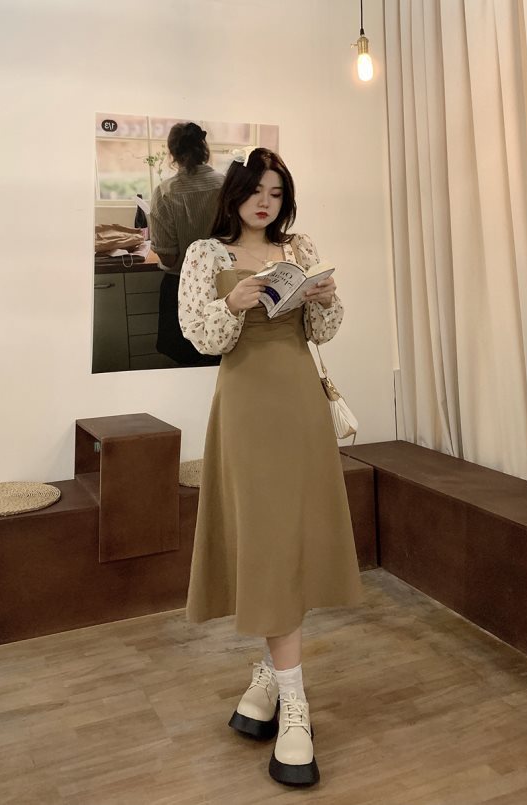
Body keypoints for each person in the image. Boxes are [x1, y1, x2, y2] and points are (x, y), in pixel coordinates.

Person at [178, 147, 364, 787]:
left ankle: (270, 680)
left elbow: (323, 332)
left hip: (299, 404)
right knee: (265, 541)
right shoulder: (206, 255)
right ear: (234, 194)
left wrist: (325, 298)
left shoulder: (299, 248)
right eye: (256, 190)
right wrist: (233, 304)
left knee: (291, 539)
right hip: (246, 406)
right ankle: (293, 704)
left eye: (277, 193)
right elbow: (200, 336)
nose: (265, 202)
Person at [150, 122, 223, 366]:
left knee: (186, 359)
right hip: (223, 285)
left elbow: (169, 258)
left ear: (172, 153)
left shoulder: (165, 192)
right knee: (220, 355)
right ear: (204, 149)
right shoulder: (226, 186)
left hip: (182, 287)